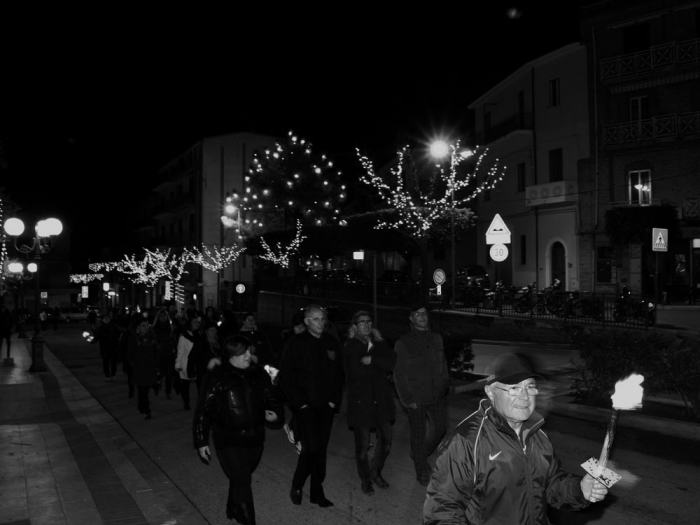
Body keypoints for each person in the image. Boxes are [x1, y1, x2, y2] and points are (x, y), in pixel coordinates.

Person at [423, 353, 609, 524]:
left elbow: (552, 483)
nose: (525, 396)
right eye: (514, 388)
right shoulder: (465, 442)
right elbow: (442, 511)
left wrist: (580, 489)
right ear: (490, 391)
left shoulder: (537, 434)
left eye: (530, 387)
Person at [193, 335, 284, 525]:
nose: (248, 356)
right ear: (231, 355)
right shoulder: (216, 376)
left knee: (240, 477)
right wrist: (201, 440)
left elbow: (273, 399)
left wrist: (276, 414)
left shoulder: (259, 373)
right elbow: (204, 410)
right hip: (228, 439)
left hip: (255, 438)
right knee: (243, 480)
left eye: (249, 351)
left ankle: (233, 507)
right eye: (243, 353)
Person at [279, 305, 343, 508]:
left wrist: (334, 400)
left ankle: (316, 491)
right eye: (316, 319)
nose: (320, 323)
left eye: (323, 319)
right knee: (311, 449)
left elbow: (339, 374)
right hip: (305, 407)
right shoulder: (296, 344)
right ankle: (297, 485)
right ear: (306, 321)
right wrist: (299, 403)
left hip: (326, 406)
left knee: (320, 449)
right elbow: (285, 377)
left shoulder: (331, 342)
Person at [393, 303, 449, 486]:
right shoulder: (404, 342)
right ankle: (421, 469)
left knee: (440, 427)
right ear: (411, 318)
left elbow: (443, 363)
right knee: (418, 432)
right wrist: (407, 399)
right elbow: (399, 374)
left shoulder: (436, 338)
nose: (422, 317)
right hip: (416, 397)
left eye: (424, 313)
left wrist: (444, 383)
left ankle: (419, 453)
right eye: (417, 314)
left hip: (437, 394)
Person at [343, 310, 397, 495]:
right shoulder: (351, 346)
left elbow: (391, 362)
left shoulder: (380, 343)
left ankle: (375, 471)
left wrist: (372, 360)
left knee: (387, 441)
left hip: (381, 400)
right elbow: (355, 372)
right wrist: (378, 366)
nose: (366, 325)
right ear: (355, 326)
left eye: (368, 321)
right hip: (361, 403)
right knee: (363, 447)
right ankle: (366, 479)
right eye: (361, 322)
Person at [127, 317, 159, 420]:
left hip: (149, 368)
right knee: (141, 389)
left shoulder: (152, 338)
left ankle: (145, 408)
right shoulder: (134, 339)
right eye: (143, 326)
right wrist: (133, 364)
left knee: (145, 389)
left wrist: (156, 364)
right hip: (139, 368)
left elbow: (156, 353)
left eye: (146, 325)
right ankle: (144, 407)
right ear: (138, 327)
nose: (145, 328)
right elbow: (129, 353)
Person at [175, 315, 203, 410]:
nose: (197, 324)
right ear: (190, 323)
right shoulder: (184, 336)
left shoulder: (200, 335)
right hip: (187, 363)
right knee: (185, 385)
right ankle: (186, 403)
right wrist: (178, 364)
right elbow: (180, 351)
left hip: (199, 364)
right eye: (194, 322)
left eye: (198, 322)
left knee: (200, 385)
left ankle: (201, 404)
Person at [152, 308, 177, 398]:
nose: (163, 318)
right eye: (161, 316)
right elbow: (154, 341)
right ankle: (156, 386)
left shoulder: (170, 327)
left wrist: (174, 349)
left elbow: (173, 339)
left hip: (169, 352)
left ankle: (168, 391)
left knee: (169, 374)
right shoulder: (155, 328)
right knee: (160, 373)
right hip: (160, 353)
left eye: (164, 316)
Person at [91, 313, 123, 380]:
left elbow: (120, 331)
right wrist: (93, 341)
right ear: (103, 320)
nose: (106, 320)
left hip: (113, 346)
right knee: (106, 361)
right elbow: (97, 336)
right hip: (104, 347)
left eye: (107, 318)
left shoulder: (114, 326)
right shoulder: (101, 327)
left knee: (113, 361)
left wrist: (118, 338)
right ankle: (107, 375)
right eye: (105, 318)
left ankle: (113, 374)